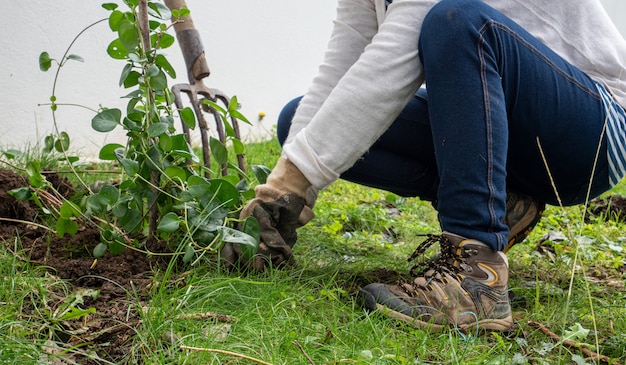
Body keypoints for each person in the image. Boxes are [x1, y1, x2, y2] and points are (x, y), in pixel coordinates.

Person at [222, 0, 626, 332]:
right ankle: (502, 203)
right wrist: (284, 191)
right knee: (296, 119)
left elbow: (391, 62)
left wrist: (296, 177)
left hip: (592, 129)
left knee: (456, 22)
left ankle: (475, 274)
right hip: (513, 126)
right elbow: (344, 67)